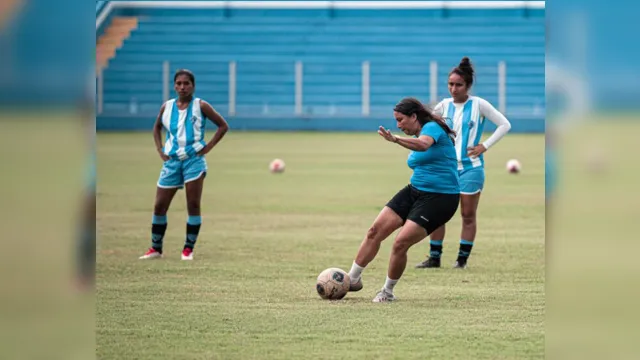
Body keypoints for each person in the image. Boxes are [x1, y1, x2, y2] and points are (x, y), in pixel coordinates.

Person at [346, 97, 460, 302]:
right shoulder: (417, 134)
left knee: (400, 243)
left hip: (441, 198)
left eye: (400, 120)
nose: (398, 125)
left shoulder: (432, 128)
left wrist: (397, 139)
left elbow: (424, 145)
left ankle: (387, 292)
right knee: (375, 231)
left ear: (414, 116)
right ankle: (351, 280)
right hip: (414, 191)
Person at [415, 57, 511, 270]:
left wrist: (484, 146)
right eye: (450, 84)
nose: (453, 88)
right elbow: (426, 126)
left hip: (471, 168)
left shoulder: (479, 104)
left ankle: (461, 260)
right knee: (438, 213)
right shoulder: (443, 106)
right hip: (446, 169)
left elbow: (504, 124)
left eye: (458, 84)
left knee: (467, 215)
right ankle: (434, 257)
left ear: (468, 85)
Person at [139, 69, 229, 261]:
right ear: (174, 85)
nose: (182, 87)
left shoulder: (201, 106)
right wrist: (159, 149)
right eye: (178, 83)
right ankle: (156, 248)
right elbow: (156, 128)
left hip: (194, 162)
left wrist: (208, 147)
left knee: (193, 204)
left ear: (193, 86)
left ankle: (188, 249)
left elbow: (223, 125)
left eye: (186, 83)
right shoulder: (167, 107)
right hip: (171, 163)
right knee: (159, 206)